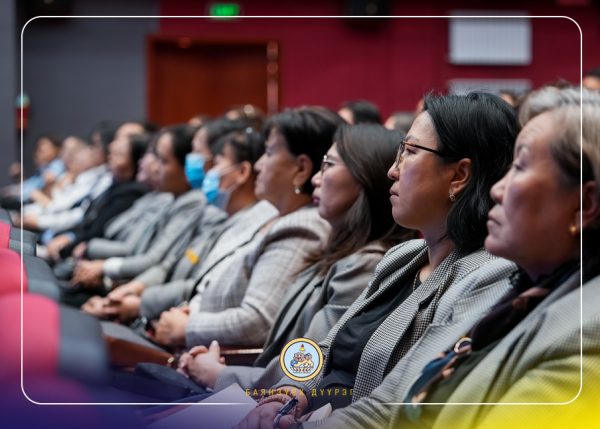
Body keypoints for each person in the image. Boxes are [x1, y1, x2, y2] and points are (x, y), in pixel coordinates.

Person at [235, 92, 519, 429]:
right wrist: (288, 394)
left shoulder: (487, 275)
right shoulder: (401, 257)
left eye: (410, 152)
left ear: (459, 175)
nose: (392, 171)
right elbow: (324, 349)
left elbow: (401, 401)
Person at [390, 88, 600, 429]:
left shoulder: (585, 336)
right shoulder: (519, 290)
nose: (496, 189)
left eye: (520, 167)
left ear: (584, 205)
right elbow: (388, 400)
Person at [177, 124, 416, 393]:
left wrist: (220, 373)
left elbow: (310, 364)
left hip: (275, 400)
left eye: (328, 166)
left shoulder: (364, 265)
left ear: (364, 177)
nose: (315, 178)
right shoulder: (338, 252)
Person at [45, 132, 149, 263]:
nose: (110, 157)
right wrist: (68, 235)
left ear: (135, 162)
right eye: (112, 152)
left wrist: (66, 246)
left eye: (119, 154)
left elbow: (98, 230)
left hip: (86, 256)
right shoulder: (113, 183)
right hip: (73, 243)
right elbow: (87, 218)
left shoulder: (130, 193)